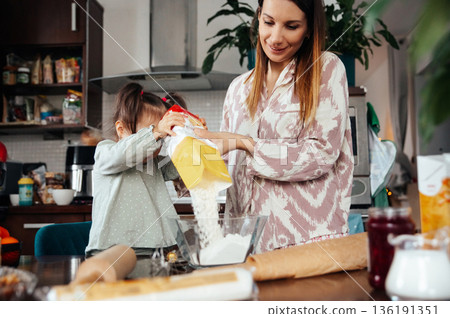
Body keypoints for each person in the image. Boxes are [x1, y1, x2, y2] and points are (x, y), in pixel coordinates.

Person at [195, 0, 354, 253]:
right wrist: (187, 147)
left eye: (291, 26)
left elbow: (320, 154)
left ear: (309, 28)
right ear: (258, 18)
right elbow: (229, 169)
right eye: (268, 22)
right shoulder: (238, 88)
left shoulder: (327, 69)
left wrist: (244, 142)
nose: (276, 37)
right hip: (244, 244)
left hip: (308, 243)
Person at [85, 83, 187, 256]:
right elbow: (123, 154)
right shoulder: (106, 151)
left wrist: (197, 137)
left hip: (157, 249)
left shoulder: (153, 164)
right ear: (121, 129)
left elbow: (185, 162)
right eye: (150, 133)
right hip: (110, 253)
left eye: (161, 139)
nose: (157, 144)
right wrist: (155, 132)